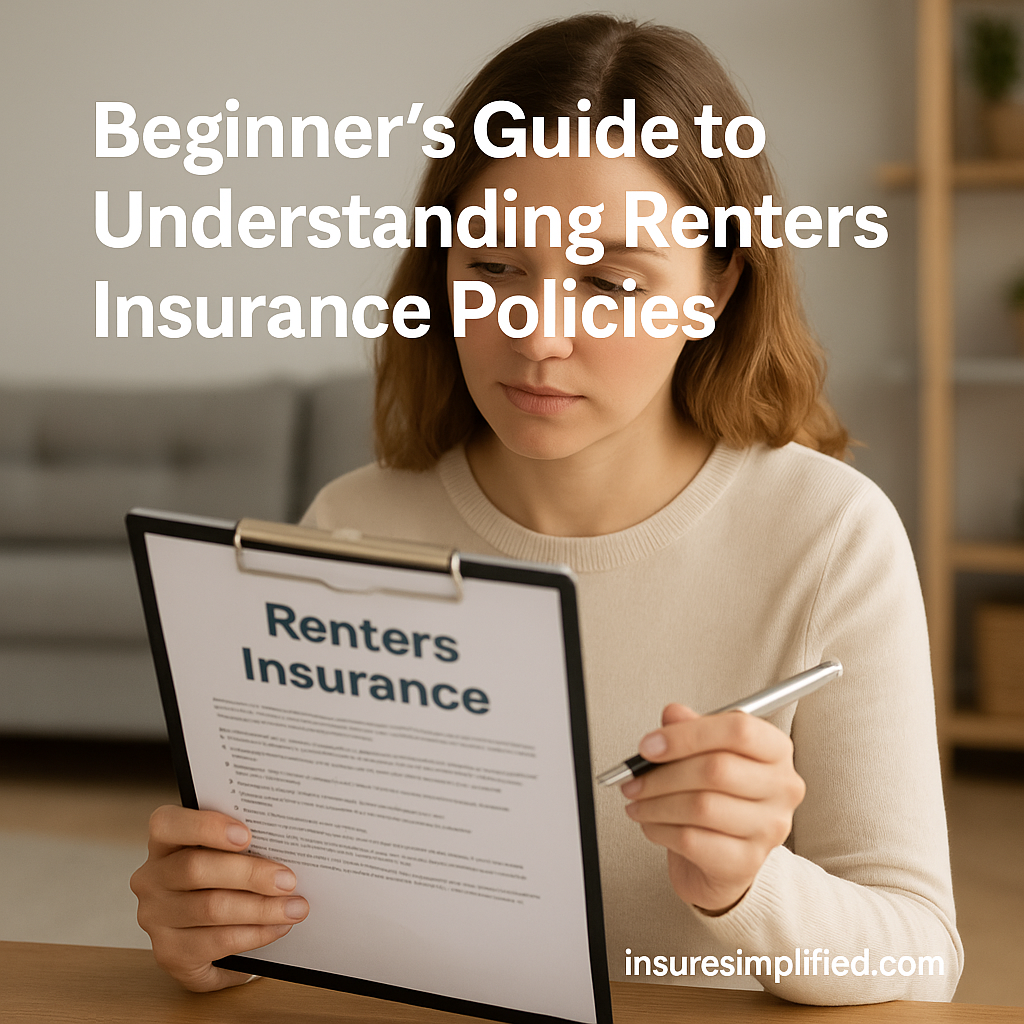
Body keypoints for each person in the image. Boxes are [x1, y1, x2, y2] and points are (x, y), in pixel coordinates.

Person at [130, 14, 962, 1005]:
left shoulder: (828, 537)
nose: (537, 336)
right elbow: (294, 922)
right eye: (491, 268)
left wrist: (747, 885)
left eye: (610, 283)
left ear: (714, 288)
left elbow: (921, 957)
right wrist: (214, 934)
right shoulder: (349, 522)